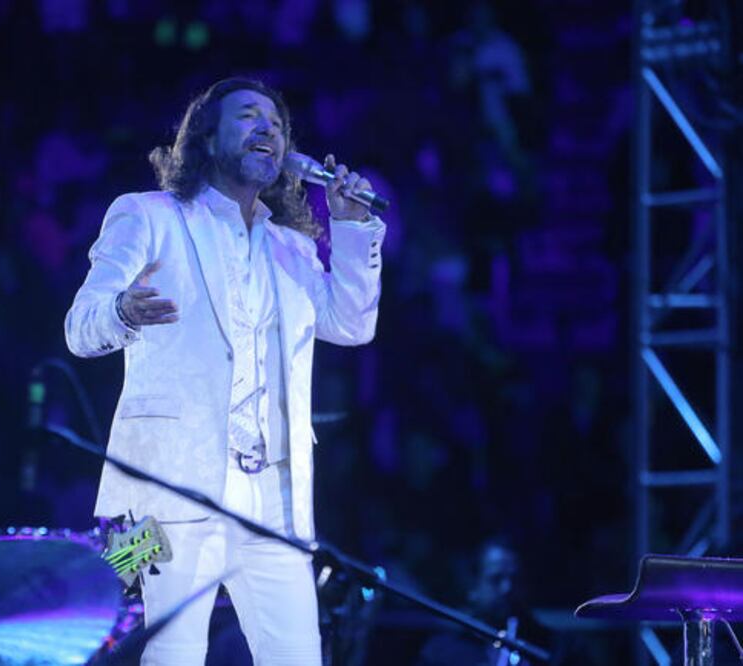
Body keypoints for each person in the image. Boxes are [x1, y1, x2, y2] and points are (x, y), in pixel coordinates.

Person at [65, 77, 386, 665]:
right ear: (208, 139)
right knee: (174, 656)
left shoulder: (290, 248)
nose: (268, 128)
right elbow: (80, 328)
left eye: (277, 123)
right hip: (172, 489)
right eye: (248, 116)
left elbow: (350, 323)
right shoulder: (149, 216)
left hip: (276, 499)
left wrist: (350, 225)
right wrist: (123, 311)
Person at [416, 538, 533, 666]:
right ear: (473, 585)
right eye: (496, 579)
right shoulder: (442, 647)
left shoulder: (542, 643)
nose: (507, 588)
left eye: (516, 579)